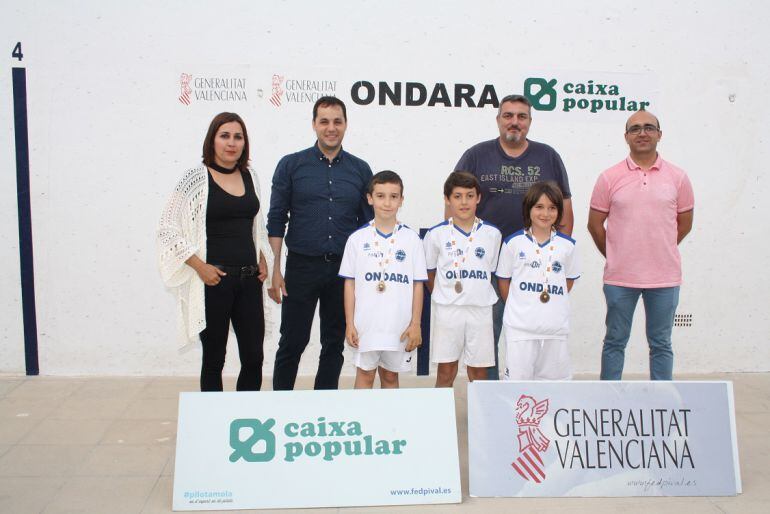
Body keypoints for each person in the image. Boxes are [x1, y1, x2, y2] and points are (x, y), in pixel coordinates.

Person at [455, 94, 573, 378]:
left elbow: (565, 209)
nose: (514, 122)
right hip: (487, 267)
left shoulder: (548, 156)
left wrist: (558, 254)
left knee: (531, 337)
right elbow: (455, 203)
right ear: (498, 120)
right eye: (508, 115)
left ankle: (534, 400)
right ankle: (492, 401)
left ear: (530, 122)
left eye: (521, 116)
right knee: (487, 339)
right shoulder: (476, 155)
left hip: (533, 270)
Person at [157, 112, 272, 391]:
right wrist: (200, 266)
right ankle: (213, 424)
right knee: (214, 359)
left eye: (238, 137)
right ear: (212, 140)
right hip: (214, 283)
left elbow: (255, 225)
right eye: (225, 136)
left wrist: (262, 257)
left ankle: (245, 417)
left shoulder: (250, 176)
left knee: (254, 357)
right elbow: (167, 229)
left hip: (248, 281)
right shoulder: (194, 179)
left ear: (244, 143)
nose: (231, 143)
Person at [267, 96, 373, 390]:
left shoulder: (360, 170)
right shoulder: (291, 165)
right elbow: (276, 219)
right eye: (324, 121)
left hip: (342, 271)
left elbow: (367, 228)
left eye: (337, 121)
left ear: (346, 125)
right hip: (301, 267)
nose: (331, 128)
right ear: (314, 124)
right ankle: (281, 405)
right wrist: (276, 269)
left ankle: (322, 406)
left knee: (333, 344)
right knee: (292, 342)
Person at [587, 110, 694, 381]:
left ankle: (661, 401)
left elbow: (684, 224)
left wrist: (658, 249)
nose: (642, 133)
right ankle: (608, 401)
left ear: (659, 134)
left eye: (648, 127)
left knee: (661, 344)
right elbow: (595, 225)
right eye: (635, 129)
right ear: (626, 137)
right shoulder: (609, 177)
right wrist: (616, 253)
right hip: (620, 278)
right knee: (614, 341)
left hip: (664, 278)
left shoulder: (678, 178)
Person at [339, 171, 427, 389]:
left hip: (398, 326)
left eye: (393, 196)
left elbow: (418, 285)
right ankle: (362, 422)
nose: (387, 203)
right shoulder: (357, 239)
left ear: (401, 200)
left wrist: (415, 323)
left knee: (390, 377)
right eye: (380, 196)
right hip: (366, 324)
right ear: (370, 198)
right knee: (365, 376)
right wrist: (350, 323)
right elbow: (349, 284)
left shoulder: (412, 239)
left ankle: (390, 423)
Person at [423, 171, 501, 387]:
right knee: (446, 369)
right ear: (447, 199)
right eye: (457, 196)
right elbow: (429, 273)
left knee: (478, 370)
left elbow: (491, 270)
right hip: (449, 309)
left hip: (480, 308)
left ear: (478, 198)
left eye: (469, 195)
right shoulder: (436, 234)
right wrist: (445, 292)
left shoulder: (493, 234)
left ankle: (479, 420)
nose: (464, 202)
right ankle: (441, 419)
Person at [496, 181, 579, 381]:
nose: (545, 214)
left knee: (553, 387)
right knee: (517, 386)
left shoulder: (567, 246)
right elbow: (504, 282)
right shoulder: (513, 243)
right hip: (520, 329)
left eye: (552, 208)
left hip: (555, 329)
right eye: (539, 207)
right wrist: (521, 306)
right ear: (529, 208)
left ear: (559, 212)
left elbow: (567, 282)